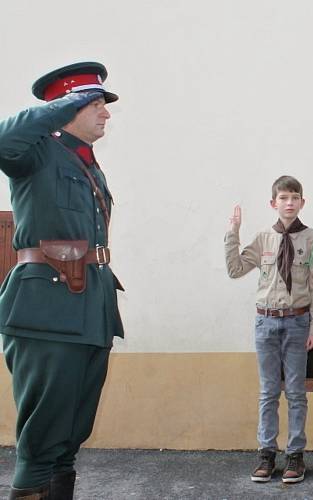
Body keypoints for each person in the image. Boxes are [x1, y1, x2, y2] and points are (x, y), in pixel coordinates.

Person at [0, 62, 123, 500]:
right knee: (42, 438)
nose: (106, 113)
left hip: (90, 308)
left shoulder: (88, 166)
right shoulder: (37, 152)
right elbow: (3, 139)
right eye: (94, 104)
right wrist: (61, 107)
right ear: (66, 108)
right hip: (47, 310)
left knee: (70, 435)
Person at [225, 175, 313, 485]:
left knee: (296, 392)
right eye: (283, 198)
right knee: (268, 392)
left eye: (294, 197)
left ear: (302, 202)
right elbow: (235, 270)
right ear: (274, 203)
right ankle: (266, 453)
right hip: (266, 322)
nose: (289, 203)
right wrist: (233, 233)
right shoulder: (262, 239)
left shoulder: (311, 239)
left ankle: (295, 454)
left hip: (297, 323)